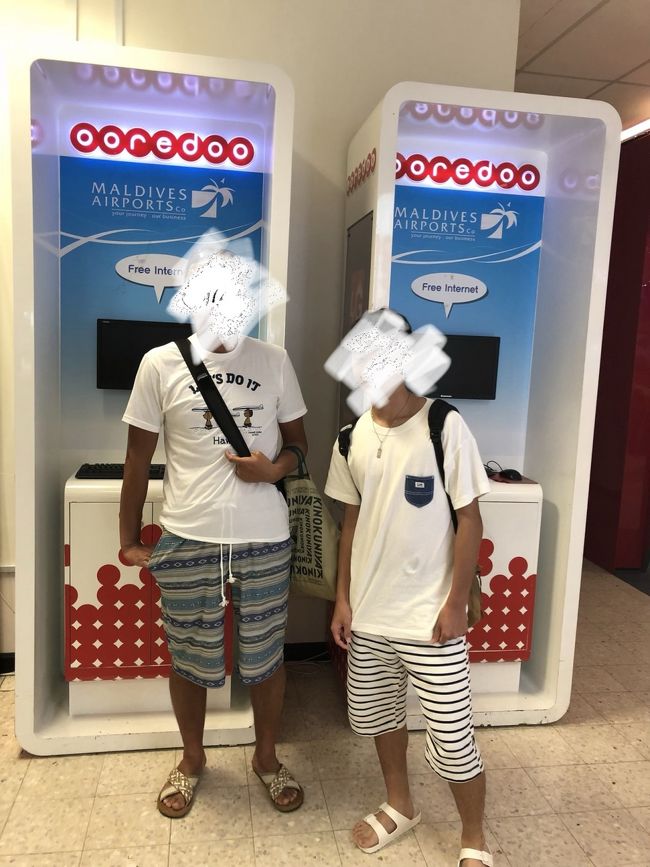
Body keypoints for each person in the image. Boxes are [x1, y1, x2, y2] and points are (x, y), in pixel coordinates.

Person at [119, 326, 308, 818]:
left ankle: (266, 758)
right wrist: (129, 538)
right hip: (188, 534)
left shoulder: (274, 360)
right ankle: (192, 758)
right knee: (187, 657)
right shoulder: (159, 363)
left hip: (264, 537)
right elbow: (137, 457)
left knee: (267, 657)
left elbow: (299, 446)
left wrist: (273, 470)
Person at [325, 326, 492, 866]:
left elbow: (470, 519)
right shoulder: (349, 437)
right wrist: (343, 599)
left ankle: (474, 837)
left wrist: (455, 602)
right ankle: (400, 804)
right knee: (380, 718)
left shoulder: (444, 425)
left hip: (430, 618)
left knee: (454, 740)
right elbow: (351, 523)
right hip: (369, 615)